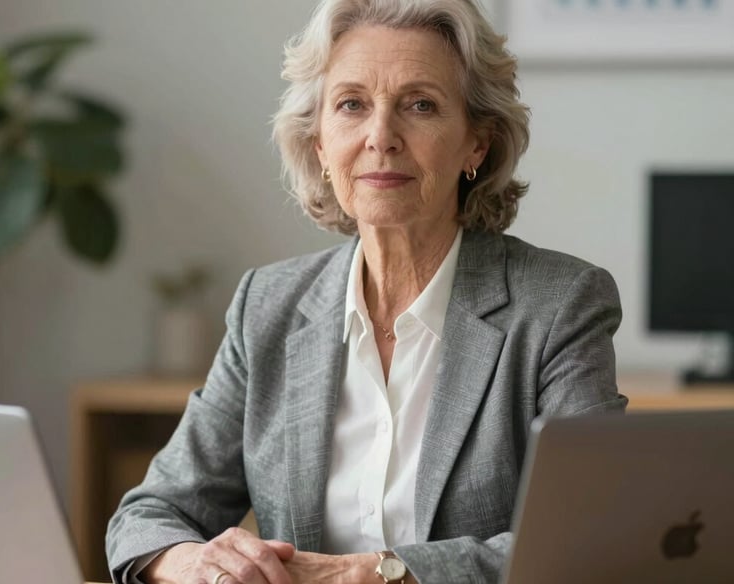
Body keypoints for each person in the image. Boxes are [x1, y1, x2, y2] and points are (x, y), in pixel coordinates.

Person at [106, 0, 627, 582]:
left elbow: (590, 533)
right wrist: (199, 563)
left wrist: (371, 574)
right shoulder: (268, 306)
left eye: (420, 105)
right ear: (320, 144)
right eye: (351, 105)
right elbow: (148, 515)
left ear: (476, 144)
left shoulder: (560, 305)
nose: (381, 137)